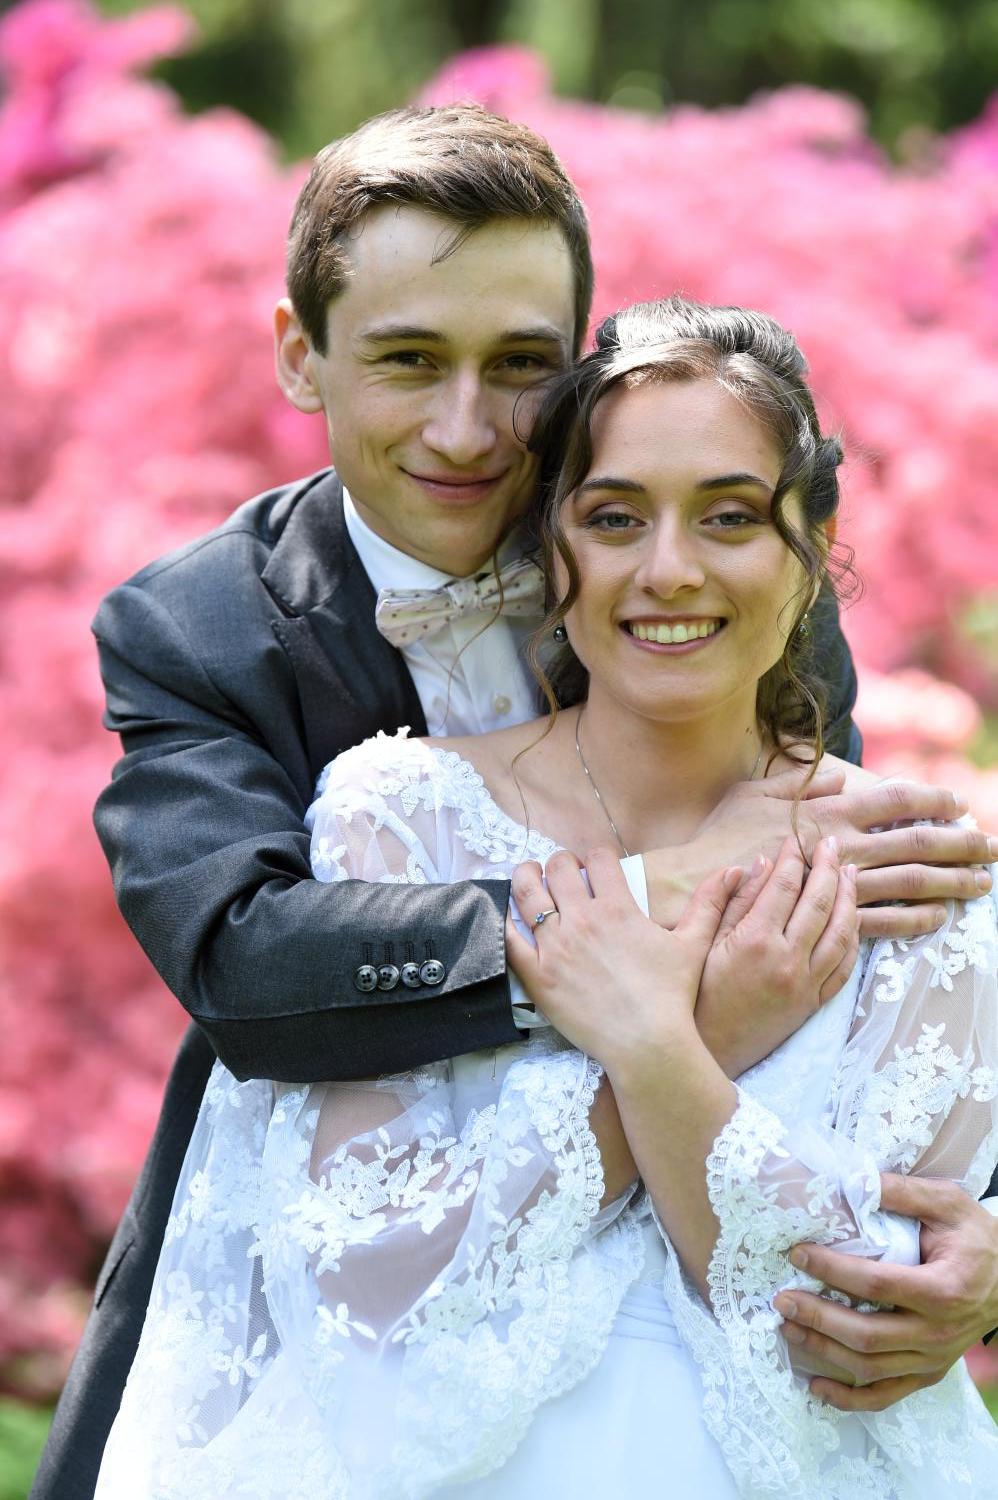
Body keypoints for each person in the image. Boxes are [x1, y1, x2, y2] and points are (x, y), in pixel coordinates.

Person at [30, 107, 998, 1500]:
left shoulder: (699, 568)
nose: (468, 427)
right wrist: (662, 919)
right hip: (336, 1321)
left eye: (521, 366)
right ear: (302, 355)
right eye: (409, 360)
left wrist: (981, 1241)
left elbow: (868, 1005)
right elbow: (248, 966)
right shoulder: (202, 630)